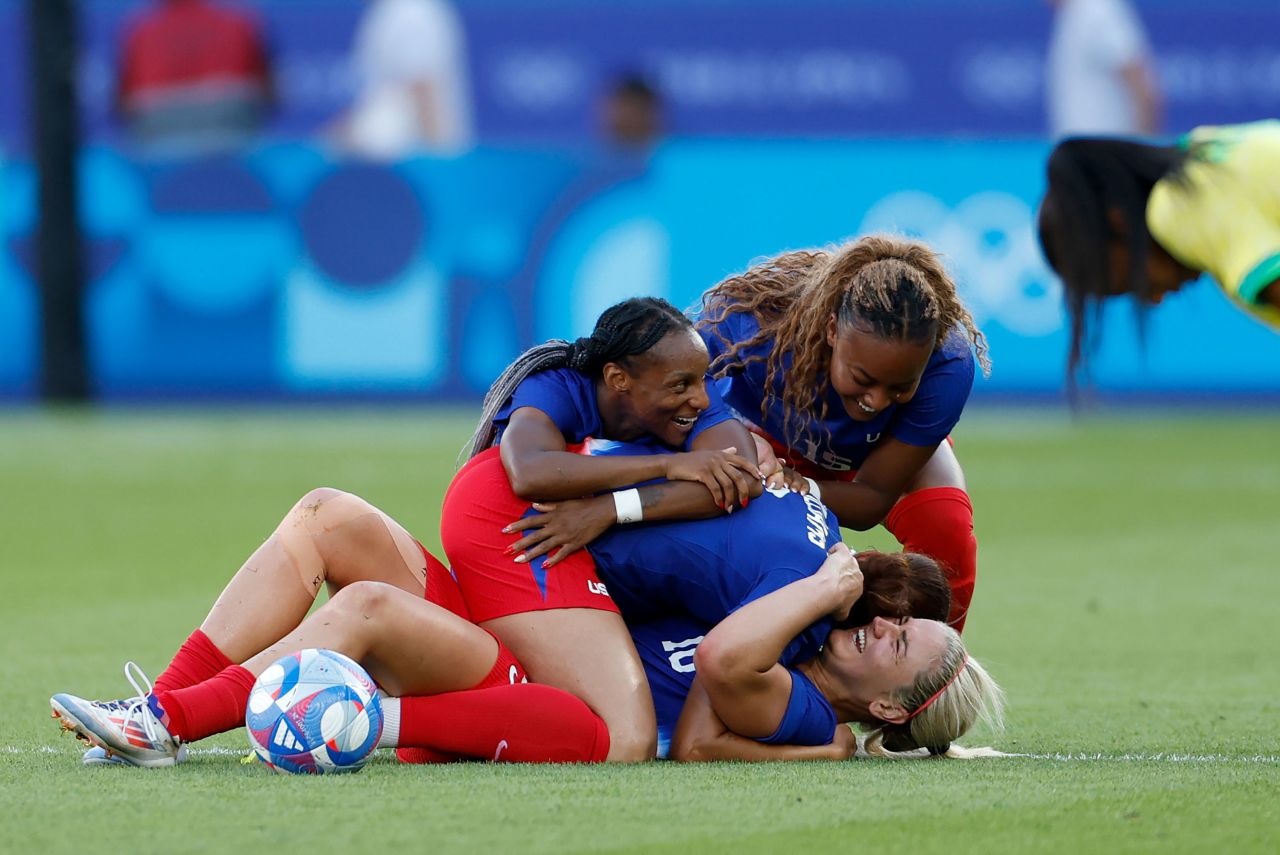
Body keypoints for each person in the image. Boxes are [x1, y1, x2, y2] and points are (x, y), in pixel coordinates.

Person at [49, 488, 1000, 766]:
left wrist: (828, 577)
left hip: (545, 698)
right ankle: (159, 705)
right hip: (533, 636)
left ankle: (169, 725)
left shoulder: (804, 706)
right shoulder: (794, 618)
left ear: (887, 703)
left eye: (905, 641)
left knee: (369, 612)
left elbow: (721, 662)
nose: (889, 625)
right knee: (328, 515)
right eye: (900, 620)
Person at [447, 296, 760, 761]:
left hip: (589, 547)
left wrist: (612, 510)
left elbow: (740, 481)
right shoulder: (558, 387)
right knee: (620, 733)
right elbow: (529, 472)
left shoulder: (692, 397)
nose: (700, 398)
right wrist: (672, 466)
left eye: (701, 380)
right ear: (618, 380)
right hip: (524, 537)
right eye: (681, 385)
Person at [692, 234, 990, 632]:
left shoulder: (947, 364)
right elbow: (680, 386)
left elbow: (872, 498)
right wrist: (737, 437)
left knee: (946, 529)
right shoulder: (756, 323)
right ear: (832, 330)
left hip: (881, 452)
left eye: (900, 387)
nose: (877, 401)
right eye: (862, 378)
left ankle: (926, 678)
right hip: (761, 437)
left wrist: (805, 487)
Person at [1038, 122, 1280, 381]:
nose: (1155, 299)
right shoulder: (1203, 152)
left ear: (1118, 221)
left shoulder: (1177, 208)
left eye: (1135, 285)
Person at [115, 0, 274, 153]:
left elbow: (122, 105)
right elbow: (269, 94)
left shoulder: (139, 28)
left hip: (158, 135)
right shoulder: (240, 20)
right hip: (230, 129)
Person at [338, 0, 474, 158]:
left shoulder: (411, 11)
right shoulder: (387, 11)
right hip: (402, 165)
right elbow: (377, 96)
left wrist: (438, 162)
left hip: (415, 166)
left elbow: (424, 90)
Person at [1045, 0, 1161, 138]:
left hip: (1107, 152)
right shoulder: (1073, 14)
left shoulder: (1097, 11)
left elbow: (1141, 85)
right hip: (1085, 153)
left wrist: (1142, 152)